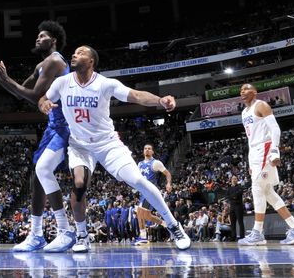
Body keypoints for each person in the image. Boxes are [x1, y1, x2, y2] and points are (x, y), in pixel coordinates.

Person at [39, 45, 191, 252]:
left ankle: (174, 225)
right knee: (79, 184)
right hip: (80, 145)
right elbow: (43, 98)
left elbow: (136, 96)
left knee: (138, 180)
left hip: (107, 144)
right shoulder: (62, 82)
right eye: (74, 52)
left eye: (81, 52)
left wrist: (159, 100)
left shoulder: (105, 84)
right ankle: (82, 236)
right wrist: (44, 104)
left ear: (91, 61)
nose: (75, 54)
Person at [0, 20, 70, 252]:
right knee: (36, 177)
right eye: (37, 36)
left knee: (43, 170)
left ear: (54, 41)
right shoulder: (42, 65)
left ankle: (65, 230)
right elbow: (20, 92)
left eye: (43, 36)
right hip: (52, 126)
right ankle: (37, 235)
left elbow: (34, 96)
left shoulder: (55, 61)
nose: (38, 39)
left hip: (66, 125)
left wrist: (4, 78)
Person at [238, 83, 294, 245]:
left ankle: (257, 232)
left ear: (255, 92)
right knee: (268, 192)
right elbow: (251, 139)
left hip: (265, 149)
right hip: (255, 153)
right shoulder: (244, 112)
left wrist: (275, 150)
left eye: (246, 89)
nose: (242, 92)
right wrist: (250, 162)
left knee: (257, 188)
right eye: (241, 90)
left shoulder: (261, 105)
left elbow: (275, 128)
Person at [134, 144, 173, 245]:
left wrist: (168, 183)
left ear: (152, 152)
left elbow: (167, 173)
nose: (147, 150)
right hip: (143, 192)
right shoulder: (140, 164)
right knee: (145, 215)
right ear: (143, 151)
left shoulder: (155, 163)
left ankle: (143, 237)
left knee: (140, 213)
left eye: (149, 149)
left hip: (151, 191)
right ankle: (166, 224)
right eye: (145, 148)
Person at [226, 175, 246, 240]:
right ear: (231, 180)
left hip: (238, 206)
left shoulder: (240, 187)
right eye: (233, 179)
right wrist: (233, 196)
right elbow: (228, 196)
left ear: (237, 180)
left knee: (240, 222)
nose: (234, 180)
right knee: (233, 223)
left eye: (235, 179)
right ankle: (233, 236)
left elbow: (238, 194)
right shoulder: (229, 188)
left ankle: (242, 236)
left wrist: (233, 196)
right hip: (232, 207)